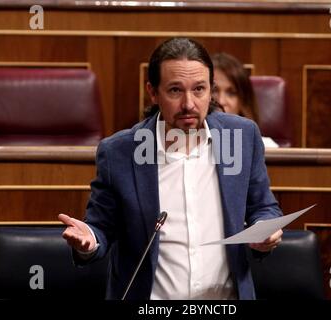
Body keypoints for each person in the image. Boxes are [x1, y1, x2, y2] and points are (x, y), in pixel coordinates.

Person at [58, 38, 283, 300]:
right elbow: (101, 228)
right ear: (153, 92)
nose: (189, 104)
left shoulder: (241, 137)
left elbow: (263, 207)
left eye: (199, 89)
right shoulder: (120, 152)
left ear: (211, 89)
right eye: (175, 90)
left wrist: (265, 228)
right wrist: (90, 240)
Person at [211, 52, 279, 148]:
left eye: (231, 93)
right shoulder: (187, 147)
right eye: (214, 91)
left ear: (243, 101)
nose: (221, 101)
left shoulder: (265, 147)